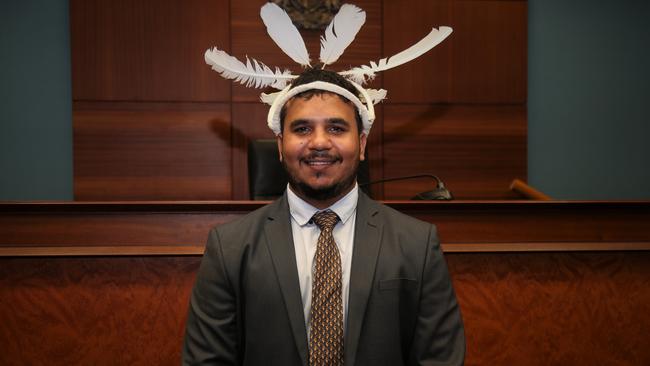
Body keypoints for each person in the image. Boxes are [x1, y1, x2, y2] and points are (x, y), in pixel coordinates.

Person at [182, 67, 465, 365]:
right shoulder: (230, 248)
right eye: (302, 129)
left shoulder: (417, 244)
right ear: (280, 145)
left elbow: (440, 359)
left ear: (363, 143)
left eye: (336, 128)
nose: (319, 143)